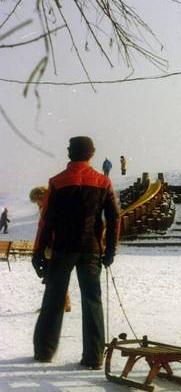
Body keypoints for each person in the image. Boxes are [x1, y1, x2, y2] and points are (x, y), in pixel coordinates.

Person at [31, 136, 120, 369]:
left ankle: (44, 352)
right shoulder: (103, 182)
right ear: (92, 154)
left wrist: (38, 250)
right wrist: (110, 249)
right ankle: (93, 357)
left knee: (53, 299)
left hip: (62, 249)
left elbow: (46, 220)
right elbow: (114, 217)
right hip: (91, 249)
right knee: (92, 300)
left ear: (69, 153)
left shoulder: (57, 181)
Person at [30, 186, 72, 313]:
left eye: (38, 201)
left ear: (41, 197)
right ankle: (65, 303)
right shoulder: (52, 206)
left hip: (54, 246)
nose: (37, 204)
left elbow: (49, 230)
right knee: (55, 277)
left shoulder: (50, 209)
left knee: (52, 277)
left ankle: (54, 305)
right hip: (56, 246)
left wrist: (46, 246)